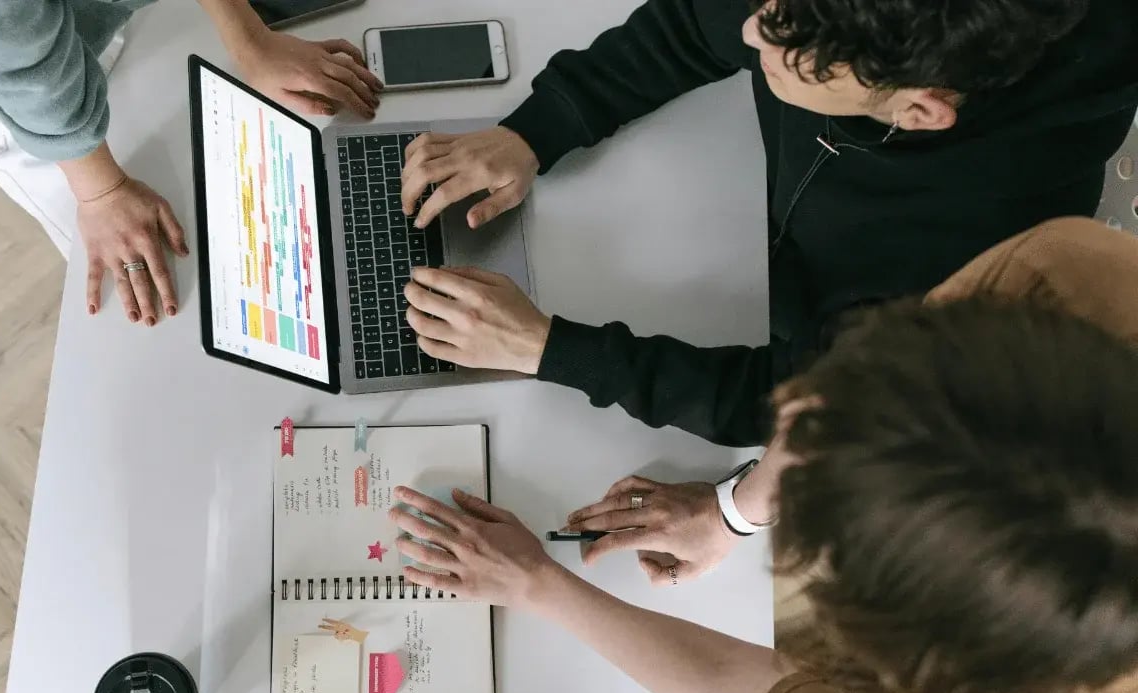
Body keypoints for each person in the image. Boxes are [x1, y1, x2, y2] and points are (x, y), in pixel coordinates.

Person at [388, 217, 1138, 693]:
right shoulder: (1064, 275)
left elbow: (751, 688)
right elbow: (836, 400)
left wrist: (541, 586)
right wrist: (732, 510)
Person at [391, 0, 1138, 582]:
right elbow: (695, 25)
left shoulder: (970, 264)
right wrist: (536, 130)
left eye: (788, 58)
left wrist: (551, 349)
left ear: (917, 111)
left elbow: (806, 403)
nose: (750, 32)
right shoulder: (829, 17)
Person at [0, 0, 381, 326]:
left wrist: (250, 40)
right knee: (157, 297)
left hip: (104, 18)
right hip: (17, 97)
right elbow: (9, 52)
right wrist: (101, 192)